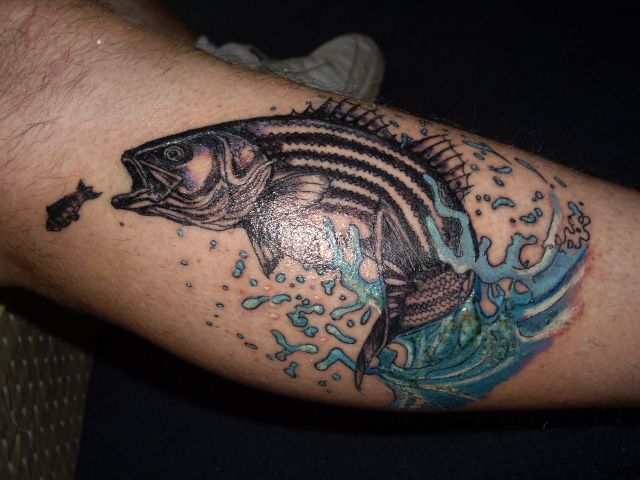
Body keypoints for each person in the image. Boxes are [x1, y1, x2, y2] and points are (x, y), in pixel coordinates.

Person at [0, 0, 638, 413]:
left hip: (406, 218)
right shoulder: (261, 184)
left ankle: (214, 69)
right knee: (30, 72)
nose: (158, 170)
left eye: (175, 160)